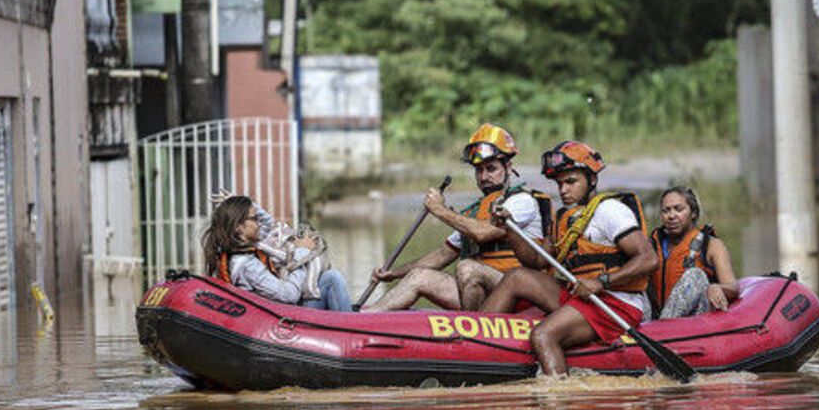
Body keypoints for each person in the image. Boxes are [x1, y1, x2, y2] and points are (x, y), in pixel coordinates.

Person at [480, 140, 658, 376]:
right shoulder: (565, 218)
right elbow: (536, 262)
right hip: (581, 294)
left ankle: (559, 392)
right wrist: (509, 229)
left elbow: (648, 259)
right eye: (559, 183)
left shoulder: (609, 211)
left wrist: (601, 282)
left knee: (543, 335)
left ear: (591, 180)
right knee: (516, 277)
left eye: (571, 182)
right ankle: (475, 342)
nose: (563, 190)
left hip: (616, 301)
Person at [363, 123, 550, 311]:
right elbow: (442, 255)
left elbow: (483, 233)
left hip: (520, 295)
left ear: (508, 167)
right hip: (486, 295)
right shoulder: (473, 214)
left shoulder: (522, 201)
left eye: (491, 168)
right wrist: (394, 273)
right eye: (479, 170)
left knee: (467, 267)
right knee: (419, 276)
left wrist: (440, 210)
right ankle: (366, 317)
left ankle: (472, 326)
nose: (484, 176)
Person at [203, 195, 352, 311]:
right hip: (286, 319)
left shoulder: (242, 247)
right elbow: (289, 295)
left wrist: (242, 204)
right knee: (333, 278)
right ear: (238, 227)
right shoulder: (248, 265)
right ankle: (352, 330)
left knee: (327, 277)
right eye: (254, 219)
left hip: (280, 310)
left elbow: (267, 222)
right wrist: (302, 252)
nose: (259, 223)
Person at [648, 186, 738, 319]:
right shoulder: (652, 244)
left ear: (693, 213)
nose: (671, 216)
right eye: (666, 211)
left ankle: (665, 325)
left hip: (694, 322)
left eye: (679, 209)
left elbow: (733, 288)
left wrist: (717, 287)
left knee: (695, 275)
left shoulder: (712, 245)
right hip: (654, 319)